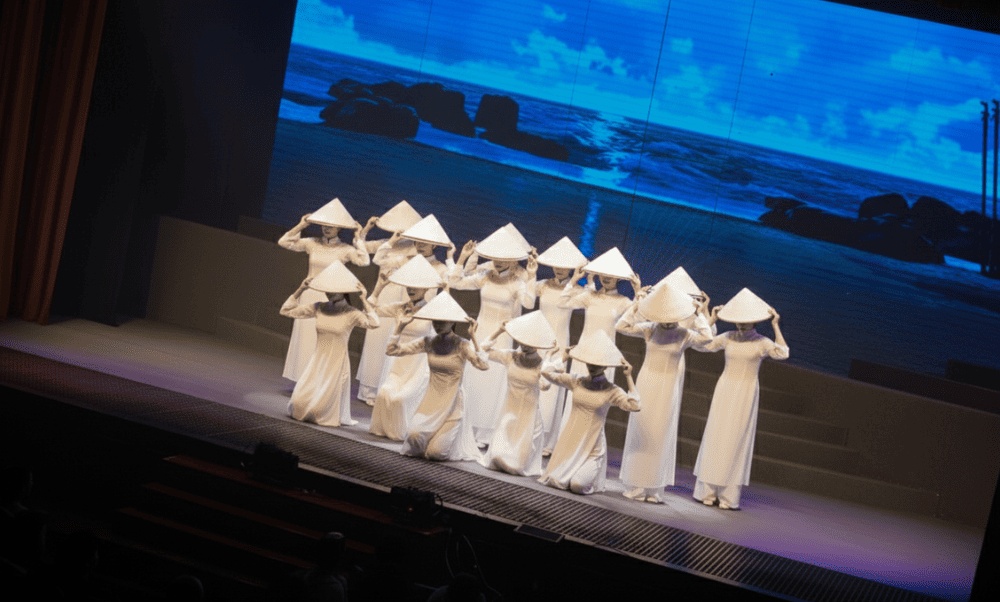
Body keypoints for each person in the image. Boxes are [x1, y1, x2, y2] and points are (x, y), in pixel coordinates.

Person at [692, 288, 789, 510]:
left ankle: (728, 496)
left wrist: (775, 325)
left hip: (746, 394)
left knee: (736, 440)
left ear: (754, 321)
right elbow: (700, 344)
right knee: (717, 436)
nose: (742, 325)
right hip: (725, 390)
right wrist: (712, 319)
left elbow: (782, 353)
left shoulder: (762, 342)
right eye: (738, 320)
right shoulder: (728, 337)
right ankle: (707, 491)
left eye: (746, 321)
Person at [615, 282, 712, 503]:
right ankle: (636, 485)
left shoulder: (684, 334)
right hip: (647, 382)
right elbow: (621, 326)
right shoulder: (649, 328)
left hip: (668, 388)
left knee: (660, 434)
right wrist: (637, 305)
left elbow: (707, 337)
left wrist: (698, 314)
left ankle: (653, 489)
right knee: (642, 431)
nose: (667, 319)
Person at [448, 226, 537, 444]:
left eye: (503, 258)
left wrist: (532, 276)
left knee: (492, 385)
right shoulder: (486, 277)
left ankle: (485, 434)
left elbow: (528, 303)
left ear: (513, 261)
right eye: (495, 257)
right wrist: (463, 257)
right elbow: (455, 282)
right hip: (479, 334)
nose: (498, 261)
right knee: (473, 380)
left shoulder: (517, 283)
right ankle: (464, 427)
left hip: (502, 338)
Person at [386, 292, 489, 461]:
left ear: (452, 322)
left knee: (435, 453)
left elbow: (483, 365)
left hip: (453, 404)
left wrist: (474, 337)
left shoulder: (462, 345)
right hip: (431, 402)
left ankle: (443, 439)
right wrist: (399, 327)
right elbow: (392, 350)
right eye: (435, 321)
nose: (438, 325)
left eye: (443, 321)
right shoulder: (428, 342)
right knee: (414, 437)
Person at [278, 199, 369, 381]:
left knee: (321, 339)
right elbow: (284, 242)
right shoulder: (312, 242)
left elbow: (364, 261)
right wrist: (302, 225)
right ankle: (301, 381)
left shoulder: (344, 249)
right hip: (309, 294)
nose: (327, 228)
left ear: (339, 228)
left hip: (329, 298)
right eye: (324, 224)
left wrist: (358, 238)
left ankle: (318, 381)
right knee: (304, 339)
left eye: (331, 226)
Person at [538, 331, 640, 494]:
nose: (592, 367)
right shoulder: (576, 381)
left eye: (597, 365)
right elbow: (545, 373)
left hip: (593, 447)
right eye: (590, 363)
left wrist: (628, 376)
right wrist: (563, 357)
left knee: (577, 485)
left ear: (605, 366)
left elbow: (635, 406)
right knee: (557, 481)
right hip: (571, 443)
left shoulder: (611, 390)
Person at [280, 262, 379, 427]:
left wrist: (363, 299)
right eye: (328, 289)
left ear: (344, 291)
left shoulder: (352, 313)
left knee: (317, 411)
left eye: (335, 289)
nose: (330, 293)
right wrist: (301, 289)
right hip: (317, 363)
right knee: (297, 405)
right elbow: (286, 310)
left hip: (337, 365)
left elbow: (374, 323)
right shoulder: (319, 307)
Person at [356, 201, 423, 403]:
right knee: (375, 341)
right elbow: (363, 249)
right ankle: (368, 389)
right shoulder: (385, 243)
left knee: (391, 342)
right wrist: (366, 230)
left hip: (401, 298)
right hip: (383, 294)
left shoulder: (415, 250)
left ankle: (385, 389)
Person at [369, 255, 442, 441]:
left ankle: (404, 433)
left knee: (399, 399)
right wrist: (379, 288)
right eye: (409, 286)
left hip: (419, 366)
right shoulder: (400, 308)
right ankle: (383, 430)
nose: (411, 289)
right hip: (398, 363)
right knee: (384, 393)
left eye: (416, 286)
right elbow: (370, 312)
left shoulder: (433, 311)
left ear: (426, 288)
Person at [478, 312, 558, 476]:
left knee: (515, 467)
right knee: (496, 459)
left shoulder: (542, 365)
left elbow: (545, 385)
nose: (525, 344)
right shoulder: (511, 356)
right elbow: (481, 350)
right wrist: (499, 331)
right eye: (523, 340)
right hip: (508, 415)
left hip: (529, 420)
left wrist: (549, 357)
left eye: (530, 341)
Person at [533, 237, 588, 455]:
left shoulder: (575, 290)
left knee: (552, 389)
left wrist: (582, 279)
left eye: (564, 266)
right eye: (556, 265)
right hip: (539, 338)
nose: (559, 269)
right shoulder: (543, 285)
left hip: (559, 340)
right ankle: (528, 432)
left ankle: (547, 441)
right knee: (533, 382)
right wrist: (530, 271)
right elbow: (527, 297)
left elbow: (591, 296)